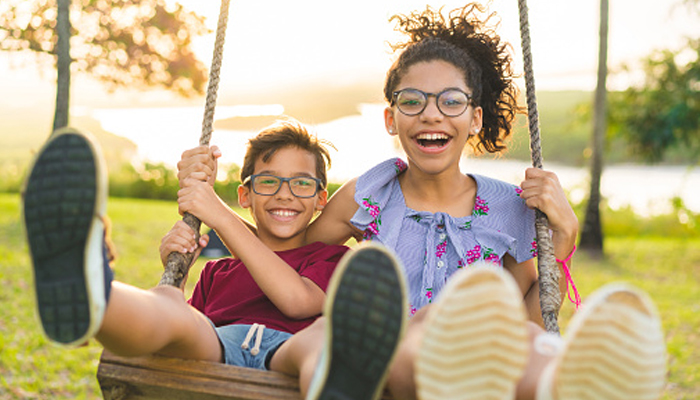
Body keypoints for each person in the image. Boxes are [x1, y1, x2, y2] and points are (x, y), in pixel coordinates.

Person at [179, 4, 667, 400]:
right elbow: (291, 247)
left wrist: (560, 243)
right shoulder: (370, 193)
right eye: (412, 101)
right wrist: (200, 224)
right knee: (413, 348)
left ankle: (566, 382)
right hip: (398, 357)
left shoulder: (514, 208)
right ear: (391, 118)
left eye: (450, 102)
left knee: (523, 329)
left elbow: (534, 305)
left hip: (484, 354)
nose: (431, 114)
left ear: (474, 118)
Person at [22, 122, 407, 397]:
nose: (285, 194)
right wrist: (177, 272)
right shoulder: (218, 270)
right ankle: (95, 295)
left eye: (302, 183)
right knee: (171, 307)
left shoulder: (333, 258)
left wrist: (214, 210)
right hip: (218, 347)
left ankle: (334, 383)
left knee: (326, 338)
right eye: (268, 181)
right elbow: (183, 333)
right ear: (245, 196)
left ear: (321, 200)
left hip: (290, 351)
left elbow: (298, 300)